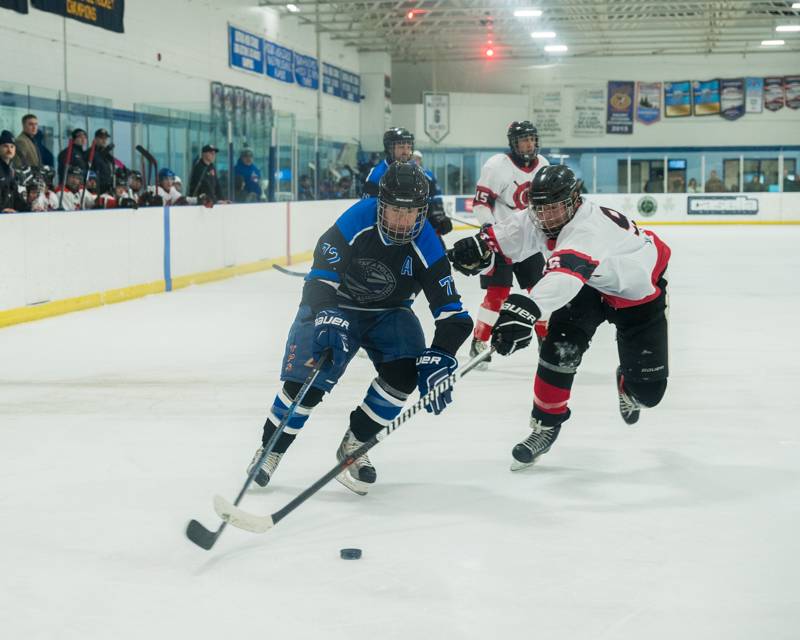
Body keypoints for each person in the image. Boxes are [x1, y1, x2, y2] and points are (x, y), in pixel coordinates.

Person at [246, 162, 472, 495]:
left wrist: (441, 355)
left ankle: (356, 442)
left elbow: (454, 316)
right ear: (380, 203)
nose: (402, 220)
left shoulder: (428, 242)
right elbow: (318, 281)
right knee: (308, 381)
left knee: (405, 372)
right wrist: (325, 315)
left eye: (411, 212)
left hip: (389, 312)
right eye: (395, 210)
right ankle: (270, 450)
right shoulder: (355, 220)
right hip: (336, 303)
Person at [449, 165, 671, 470]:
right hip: (590, 284)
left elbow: (564, 278)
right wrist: (481, 245)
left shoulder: (588, 228)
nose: (545, 218)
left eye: (554, 209)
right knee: (558, 348)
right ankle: (545, 425)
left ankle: (628, 383)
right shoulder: (538, 217)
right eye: (539, 209)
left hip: (636, 293)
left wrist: (527, 309)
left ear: (574, 201)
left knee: (649, 395)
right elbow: (509, 234)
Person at [468, 120, 550, 369]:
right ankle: (479, 341)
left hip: (531, 241)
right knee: (498, 294)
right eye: (523, 140)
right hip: (502, 241)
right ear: (513, 144)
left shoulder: (544, 165)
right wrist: (489, 228)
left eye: (531, 139)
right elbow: (481, 203)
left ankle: (545, 340)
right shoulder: (497, 166)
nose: (528, 144)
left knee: (541, 293)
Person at [362, 127, 415, 197]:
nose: (406, 152)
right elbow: (369, 205)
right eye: (401, 147)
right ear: (389, 149)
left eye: (408, 147)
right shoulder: (377, 175)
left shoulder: (416, 171)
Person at [412, 149, 452, 235]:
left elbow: (437, 195)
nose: (415, 161)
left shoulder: (428, 174)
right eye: (413, 158)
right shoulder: (403, 173)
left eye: (417, 159)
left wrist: (440, 213)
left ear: (420, 160)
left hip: (428, 213)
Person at [1, 130, 28, 213]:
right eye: (5, 146)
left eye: (12, 146)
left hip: (9, 218)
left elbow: (16, 198)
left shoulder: (12, 171)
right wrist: (1, 210)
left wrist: (31, 207)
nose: (9, 149)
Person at [89, 128, 116, 195]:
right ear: (95, 139)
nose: (104, 141)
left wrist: (124, 168)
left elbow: (116, 162)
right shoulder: (90, 153)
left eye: (105, 139)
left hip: (108, 188)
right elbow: (89, 170)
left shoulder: (107, 154)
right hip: (96, 189)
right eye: (101, 138)